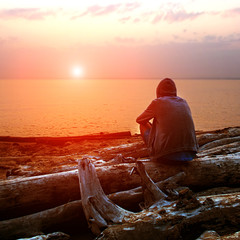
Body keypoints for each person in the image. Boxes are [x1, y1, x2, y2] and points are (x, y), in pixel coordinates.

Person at [136, 78, 198, 163]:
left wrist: (152, 126)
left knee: (143, 125)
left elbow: (139, 120)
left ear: (158, 91)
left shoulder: (157, 102)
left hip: (165, 155)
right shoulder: (184, 102)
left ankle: (152, 154)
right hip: (190, 154)